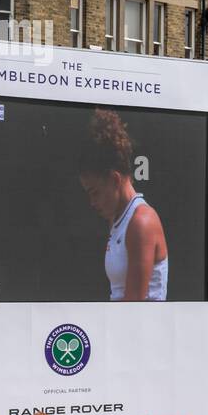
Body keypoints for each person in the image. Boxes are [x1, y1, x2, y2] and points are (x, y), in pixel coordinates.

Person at [78, 108, 169, 302]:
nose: (92, 203)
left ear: (114, 179)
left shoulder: (141, 222)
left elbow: (132, 308)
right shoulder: (117, 220)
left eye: (95, 193)